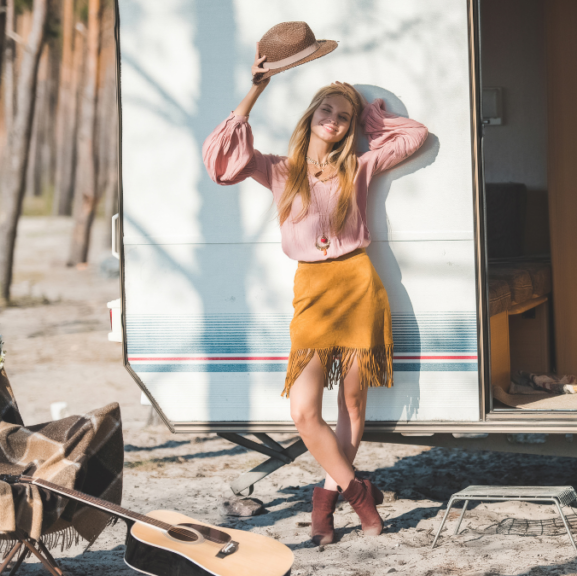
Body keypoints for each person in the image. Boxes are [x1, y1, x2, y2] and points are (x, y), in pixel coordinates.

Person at [202, 43, 428, 545]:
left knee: (351, 405)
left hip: (358, 284)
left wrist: (371, 111)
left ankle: (323, 508)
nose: (335, 120)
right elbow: (221, 164)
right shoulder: (280, 170)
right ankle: (357, 495)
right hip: (312, 290)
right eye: (327, 110)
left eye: (344, 117)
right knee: (304, 411)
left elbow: (415, 135)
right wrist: (254, 91)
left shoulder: (361, 167)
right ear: (311, 117)